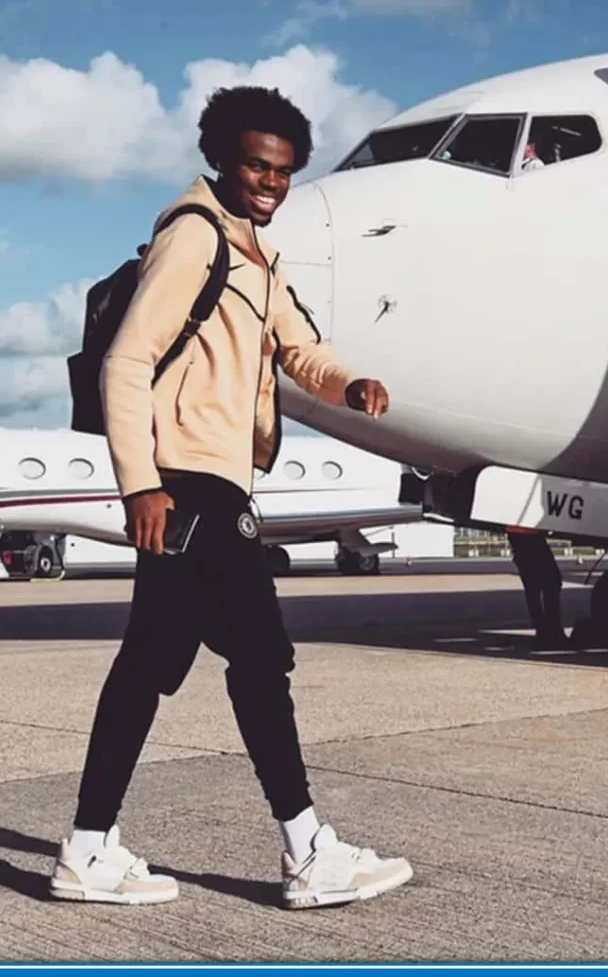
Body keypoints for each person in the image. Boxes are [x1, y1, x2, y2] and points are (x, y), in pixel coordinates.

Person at [49, 86, 413, 910]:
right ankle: (308, 852)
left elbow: (299, 345)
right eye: (256, 165)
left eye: (283, 172)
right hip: (190, 486)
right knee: (258, 661)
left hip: (209, 482)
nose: (270, 183)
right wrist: (140, 483)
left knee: (151, 665)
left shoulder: (255, 252)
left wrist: (349, 382)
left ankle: (89, 847)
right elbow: (126, 364)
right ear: (220, 156)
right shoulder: (194, 239)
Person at [505, 525, 568, 647]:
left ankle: (544, 629)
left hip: (521, 533)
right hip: (528, 532)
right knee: (551, 582)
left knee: (534, 585)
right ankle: (551, 630)